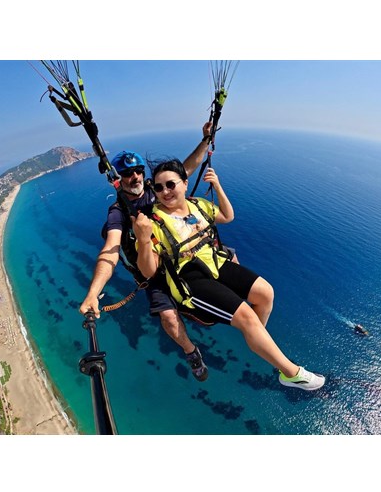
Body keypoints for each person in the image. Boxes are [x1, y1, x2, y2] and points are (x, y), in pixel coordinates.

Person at [132, 158, 326, 390]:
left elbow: (227, 216)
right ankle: (291, 374)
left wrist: (218, 185)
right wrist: (143, 239)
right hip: (190, 280)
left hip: (216, 263)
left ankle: (257, 340)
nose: (165, 192)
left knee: (265, 293)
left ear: (184, 183)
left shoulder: (198, 205)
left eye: (170, 184)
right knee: (247, 317)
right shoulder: (151, 223)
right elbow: (148, 271)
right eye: (159, 187)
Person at [80, 122, 220, 382]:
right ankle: (191, 351)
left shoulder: (156, 190)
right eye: (127, 173)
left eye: (138, 171)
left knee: (225, 260)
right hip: (152, 271)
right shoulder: (118, 213)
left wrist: (205, 140)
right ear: (119, 178)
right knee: (168, 317)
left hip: (177, 256)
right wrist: (93, 293)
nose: (134, 177)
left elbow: (185, 170)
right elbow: (110, 250)